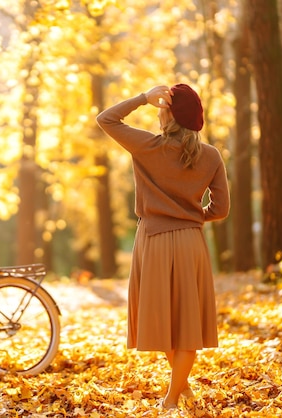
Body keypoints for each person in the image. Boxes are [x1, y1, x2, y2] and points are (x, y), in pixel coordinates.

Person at [96, 84, 230, 409]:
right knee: (187, 324)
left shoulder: (148, 146)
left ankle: (170, 399)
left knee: (160, 321)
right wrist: (194, 215)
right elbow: (221, 209)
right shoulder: (210, 155)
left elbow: (106, 119)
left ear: (167, 114)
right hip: (190, 243)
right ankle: (180, 390)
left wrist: (143, 97)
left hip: (153, 241)